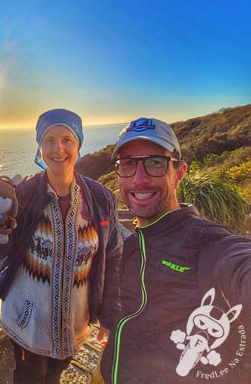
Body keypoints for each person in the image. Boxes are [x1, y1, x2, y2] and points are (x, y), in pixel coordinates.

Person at [101, 117, 251, 383]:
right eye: (128, 164)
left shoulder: (210, 246)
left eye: (156, 163)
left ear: (179, 173)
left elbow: (239, 264)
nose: (139, 179)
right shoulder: (134, 246)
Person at [0, 109, 123, 384]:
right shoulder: (22, 194)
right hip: (27, 322)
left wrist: (109, 313)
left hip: (74, 324)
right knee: (29, 377)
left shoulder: (101, 199)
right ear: (39, 147)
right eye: (49, 140)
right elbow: (1, 251)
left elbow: (114, 256)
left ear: (78, 144)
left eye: (67, 139)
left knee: (55, 375)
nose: (58, 148)